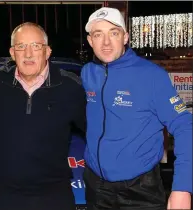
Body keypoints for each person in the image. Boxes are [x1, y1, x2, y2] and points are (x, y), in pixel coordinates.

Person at [81, 7, 192, 210]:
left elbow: (185, 127)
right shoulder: (87, 73)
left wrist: (183, 188)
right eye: (98, 34)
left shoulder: (151, 76)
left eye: (114, 33)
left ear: (125, 37)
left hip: (140, 191)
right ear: (90, 41)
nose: (106, 42)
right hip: (96, 188)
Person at [0, 22, 87, 210]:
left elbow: (98, 133)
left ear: (48, 51)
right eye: (21, 47)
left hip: (55, 197)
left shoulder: (71, 88)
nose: (28, 54)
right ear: (12, 53)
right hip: (5, 197)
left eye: (36, 46)